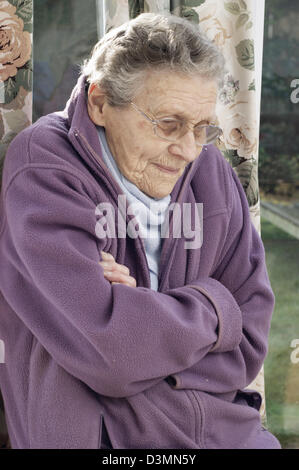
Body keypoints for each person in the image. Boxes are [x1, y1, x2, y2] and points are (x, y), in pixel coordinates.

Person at [0, 13, 281, 449]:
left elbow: (249, 343)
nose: (188, 149)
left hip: (224, 431)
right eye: (168, 124)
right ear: (99, 102)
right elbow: (110, 353)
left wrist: (139, 312)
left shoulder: (211, 171)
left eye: (202, 127)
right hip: (105, 436)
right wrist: (215, 309)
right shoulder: (44, 166)